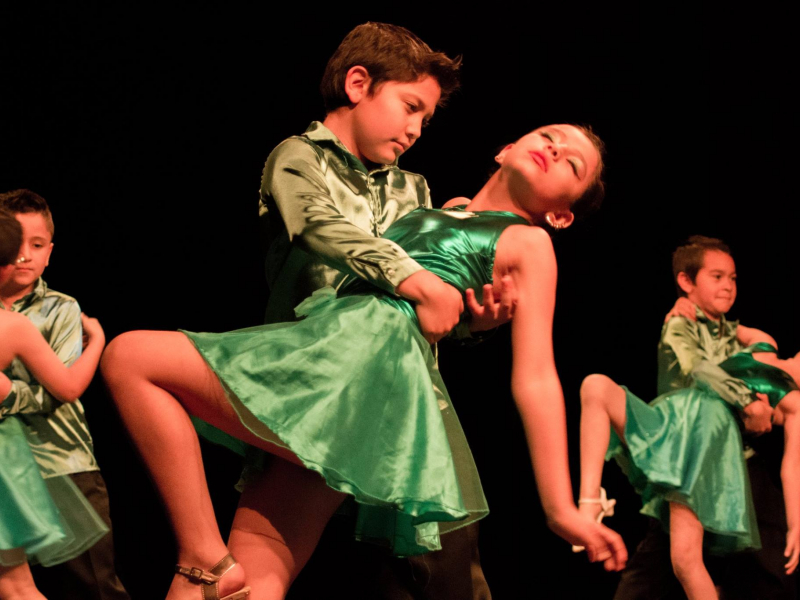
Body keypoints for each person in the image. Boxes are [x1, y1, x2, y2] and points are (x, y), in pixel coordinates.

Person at [101, 122, 626, 600]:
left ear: (561, 215)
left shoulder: (530, 242)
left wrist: (561, 506)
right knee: (255, 578)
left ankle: (200, 551)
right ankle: (205, 566)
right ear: (506, 147)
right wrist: (467, 321)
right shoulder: (438, 206)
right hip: (347, 377)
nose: (553, 151)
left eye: (571, 164)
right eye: (548, 138)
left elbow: (536, 375)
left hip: (356, 364)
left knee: (131, 356)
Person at [254, 22, 509, 600]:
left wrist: (472, 319)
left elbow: (419, 306)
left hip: (399, 408)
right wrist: (413, 272)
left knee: (444, 570)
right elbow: (320, 227)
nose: (417, 129)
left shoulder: (413, 191)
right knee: (289, 566)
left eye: (428, 119)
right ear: (358, 82)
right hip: (312, 393)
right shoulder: (297, 158)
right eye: (410, 106)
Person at [611, 236, 791, 600]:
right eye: (717, 276)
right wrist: (747, 402)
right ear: (686, 281)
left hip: (735, 461)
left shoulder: (736, 337)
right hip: (688, 458)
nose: (728, 285)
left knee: (762, 559)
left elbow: (763, 341)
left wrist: (730, 328)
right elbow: (699, 368)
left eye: (733, 278)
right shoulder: (679, 326)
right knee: (662, 562)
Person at [577, 336, 800, 600]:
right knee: (595, 386)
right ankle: (589, 503)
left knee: (684, 559)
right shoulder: (764, 343)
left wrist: (796, 522)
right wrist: (684, 306)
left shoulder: (796, 402)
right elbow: (715, 316)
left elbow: (792, 467)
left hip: (707, 432)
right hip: (676, 412)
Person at [0, 189, 129, 599]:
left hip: (61, 462)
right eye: (14, 244)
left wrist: (8, 396)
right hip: (9, 472)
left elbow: (63, 390)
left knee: (92, 584)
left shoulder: (60, 309)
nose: (24, 255)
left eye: (36, 245)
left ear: (50, 252)